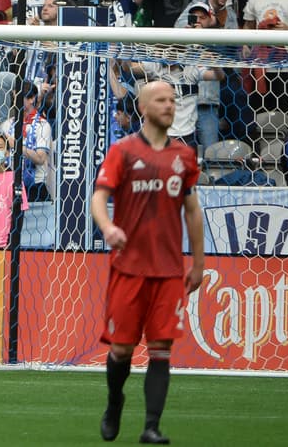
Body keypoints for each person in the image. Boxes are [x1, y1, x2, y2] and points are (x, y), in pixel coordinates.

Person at [91, 80, 204, 444]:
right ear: (143, 107)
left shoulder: (183, 156)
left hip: (169, 271)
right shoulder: (122, 151)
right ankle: (114, 402)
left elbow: (192, 210)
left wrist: (198, 263)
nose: (170, 105)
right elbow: (99, 197)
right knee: (122, 348)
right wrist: (108, 227)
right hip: (128, 269)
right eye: (161, 100)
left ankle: (151, 426)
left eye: (172, 100)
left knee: (161, 347)